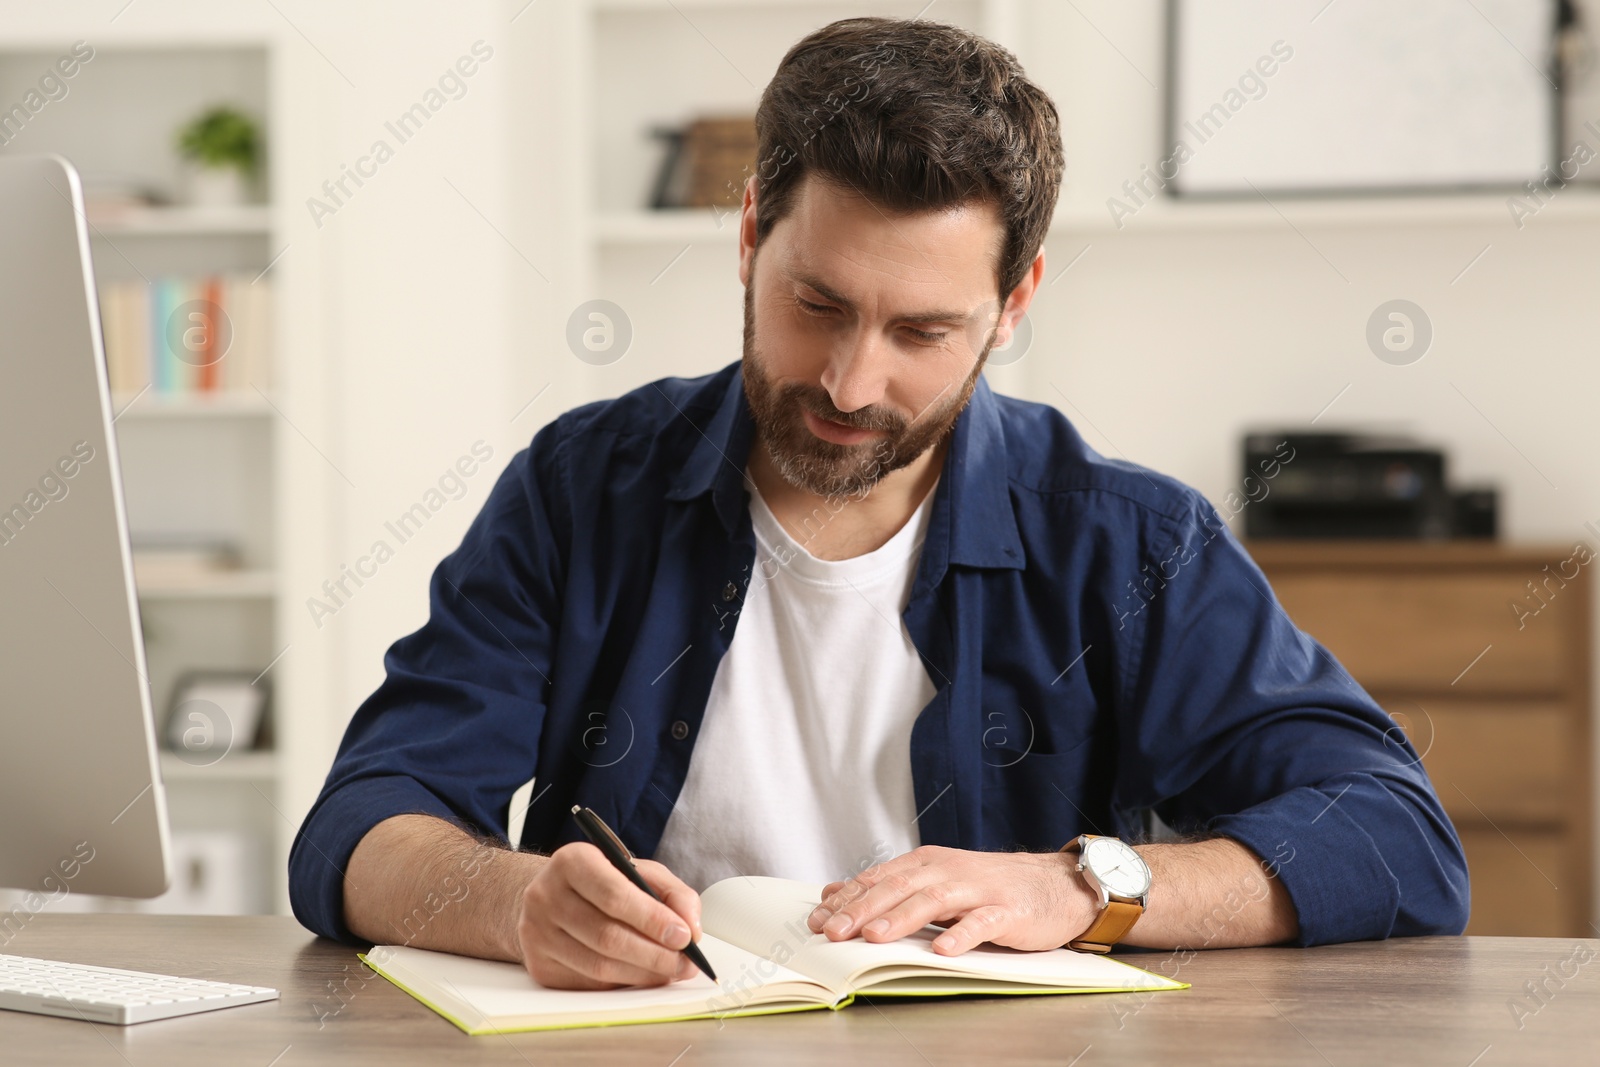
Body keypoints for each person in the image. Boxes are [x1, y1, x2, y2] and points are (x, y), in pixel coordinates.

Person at [289, 16, 1469, 991]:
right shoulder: (580, 486)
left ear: (1013, 305)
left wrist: (1084, 887)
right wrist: (512, 903)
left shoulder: (1126, 538)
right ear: (749, 233)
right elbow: (363, 825)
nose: (852, 383)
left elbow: (1394, 833)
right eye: (816, 303)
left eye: (921, 331)